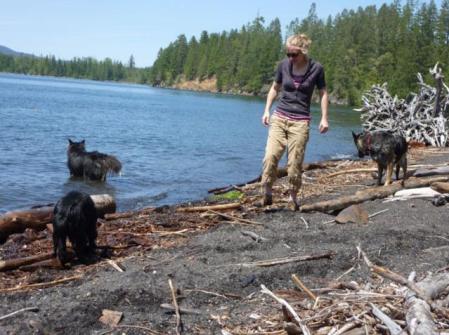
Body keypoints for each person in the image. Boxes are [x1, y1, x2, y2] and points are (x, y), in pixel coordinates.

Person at [261, 33, 329, 210]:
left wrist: (324, 118)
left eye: (294, 54)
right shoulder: (283, 66)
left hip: (300, 122)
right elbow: (275, 88)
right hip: (280, 117)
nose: (290, 57)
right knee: (270, 156)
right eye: (288, 54)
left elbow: (323, 93)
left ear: (303, 51)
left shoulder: (316, 68)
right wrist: (267, 110)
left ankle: (292, 197)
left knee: (294, 163)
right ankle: (267, 192)